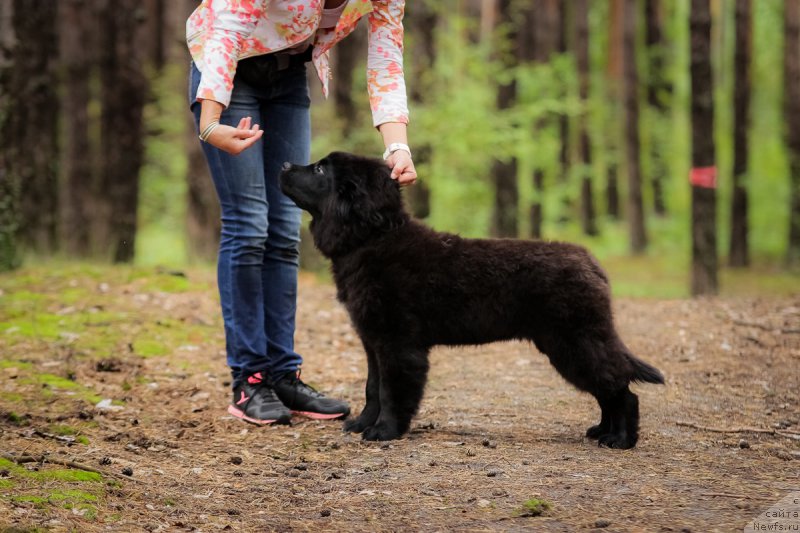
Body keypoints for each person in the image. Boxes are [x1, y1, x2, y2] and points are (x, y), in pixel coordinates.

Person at [186, 0, 416, 426]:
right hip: (227, 69)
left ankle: (283, 375)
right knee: (249, 224)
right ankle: (249, 379)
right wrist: (210, 121)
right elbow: (228, 26)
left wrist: (397, 146)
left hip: (288, 76)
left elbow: (386, 63)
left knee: (285, 231)